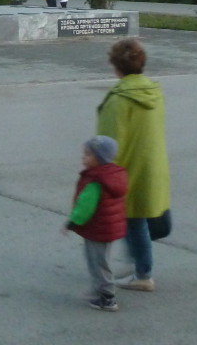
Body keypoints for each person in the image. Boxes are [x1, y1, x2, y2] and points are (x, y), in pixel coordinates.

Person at [97, 37, 169, 292]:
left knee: (134, 220)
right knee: (138, 219)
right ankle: (137, 262)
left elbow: (108, 144)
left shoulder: (118, 99)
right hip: (153, 165)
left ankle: (143, 274)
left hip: (130, 169)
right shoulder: (153, 91)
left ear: (116, 67)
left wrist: (101, 177)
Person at [65, 135, 129, 312]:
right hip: (108, 227)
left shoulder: (96, 181)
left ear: (99, 158)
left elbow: (85, 206)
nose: (83, 158)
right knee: (101, 259)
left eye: (87, 154)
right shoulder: (112, 175)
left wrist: (71, 222)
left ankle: (107, 297)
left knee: (98, 262)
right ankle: (98, 290)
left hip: (98, 228)